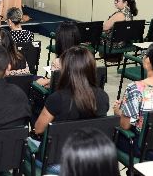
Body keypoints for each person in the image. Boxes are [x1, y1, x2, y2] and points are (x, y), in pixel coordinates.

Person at [33, 46, 109, 174]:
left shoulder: (57, 98)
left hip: (57, 161)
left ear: (66, 70)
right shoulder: (102, 96)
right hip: (89, 159)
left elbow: (39, 129)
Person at [36, 21, 81, 87]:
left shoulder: (57, 62)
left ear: (59, 42)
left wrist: (46, 81)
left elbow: (54, 86)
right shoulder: (85, 59)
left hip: (61, 95)